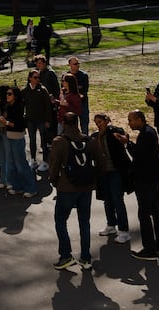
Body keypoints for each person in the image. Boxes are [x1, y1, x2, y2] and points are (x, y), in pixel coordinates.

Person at [49, 112, 102, 271]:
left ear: (64, 123)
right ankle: (85, 257)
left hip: (66, 187)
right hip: (86, 187)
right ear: (78, 123)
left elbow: (54, 166)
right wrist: (94, 180)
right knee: (84, 222)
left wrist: (55, 181)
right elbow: (101, 162)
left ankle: (66, 255)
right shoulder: (90, 141)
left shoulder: (59, 142)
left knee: (60, 220)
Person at [118, 109, 159, 260]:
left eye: (131, 120)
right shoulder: (149, 132)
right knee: (155, 211)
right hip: (153, 177)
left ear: (139, 120)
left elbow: (138, 155)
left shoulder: (146, 135)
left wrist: (127, 143)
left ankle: (149, 249)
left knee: (144, 214)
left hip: (145, 179)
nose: (129, 123)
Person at [93, 114, 131, 244]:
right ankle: (111, 225)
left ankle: (124, 230)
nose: (98, 124)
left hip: (116, 171)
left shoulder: (115, 131)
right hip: (104, 172)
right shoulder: (95, 136)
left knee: (117, 200)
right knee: (107, 200)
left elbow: (124, 138)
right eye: (96, 122)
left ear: (106, 121)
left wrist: (123, 139)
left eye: (100, 122)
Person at [0, 85, 36, 197]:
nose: (7, 96)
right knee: (12, 164)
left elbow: (18, 124)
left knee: (21, 164)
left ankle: (31, 188)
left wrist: (5, 122)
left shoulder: (18, 107)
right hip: (9, 136)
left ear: (15, 96)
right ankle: (17, 186)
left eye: (9, 94)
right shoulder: (9, 106)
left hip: (17, 138)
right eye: (7, 94)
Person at [20, 70, 54, 172]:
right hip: (30, 120)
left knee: (43, 141)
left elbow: (48, 106)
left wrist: (48, 120)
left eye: (39, 77)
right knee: (32, 140)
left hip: (41, 120)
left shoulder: (42, 90)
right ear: (30, 78)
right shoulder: (25, 90)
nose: (37, 79)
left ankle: (45, 162)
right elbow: (22, 105)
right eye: (35, 77)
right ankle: (33, 159)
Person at [68, 57, 89, 134]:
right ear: (70, 65)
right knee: (72, 125)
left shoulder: (84, 76)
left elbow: (84, 90)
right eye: (75, 64)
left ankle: (85, 139)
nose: (77, 65)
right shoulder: (66, 76)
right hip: (71, 104)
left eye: (78, 63)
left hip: (82, 103)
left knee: (84, 124)